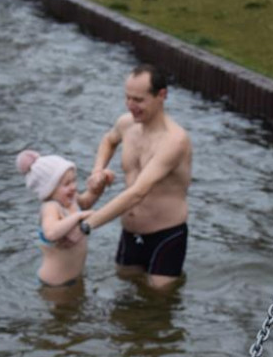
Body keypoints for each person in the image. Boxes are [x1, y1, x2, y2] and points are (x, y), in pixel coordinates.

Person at [76, 64, 192, 290]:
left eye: (138, 100)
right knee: (124, 290)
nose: (131, 106)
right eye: (127, 98)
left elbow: (138, 192)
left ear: (162, 95)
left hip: (165, 235)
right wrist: (97, 170)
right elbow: (109, 140)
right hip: (130, 232)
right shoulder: (126, 124)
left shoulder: (174, 141)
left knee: (159, 300)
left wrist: (86, 226)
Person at [17, 149, 113, 287]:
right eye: (67, 184)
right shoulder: (51, 207)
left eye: (74, 180)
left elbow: (86, 202)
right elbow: (50, 232)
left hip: (75, 278)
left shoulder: (71, 200)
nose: (73, 187)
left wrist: (100, 186)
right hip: (56, 285)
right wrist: (79, 216)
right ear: (48, 190)